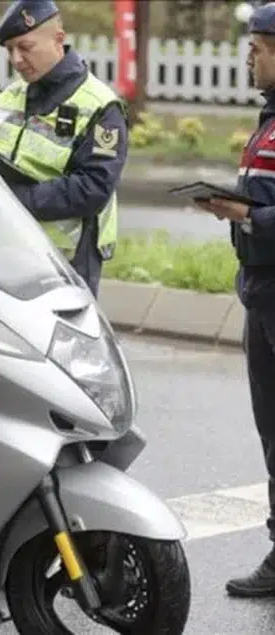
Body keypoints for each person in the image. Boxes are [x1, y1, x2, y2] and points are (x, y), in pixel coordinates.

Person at [194, 2, 275, 598]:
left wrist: (250, 213)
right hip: (262, 293)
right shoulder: (269, 120)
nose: (250, 56)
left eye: (261, 47)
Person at [0, 0, 129, 297]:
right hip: (7, 250)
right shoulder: (8, 96)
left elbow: (93, 188)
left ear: (58, 39)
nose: (16, 59)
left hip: (67, 260)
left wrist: (14, 202)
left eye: (25, 47)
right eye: (9, 50)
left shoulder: (101, 106)